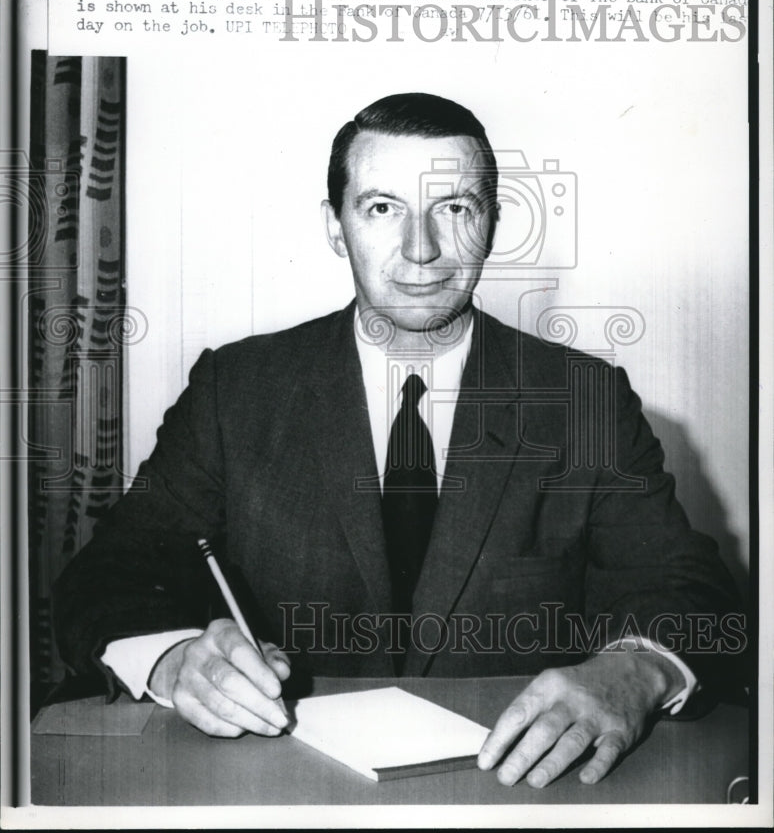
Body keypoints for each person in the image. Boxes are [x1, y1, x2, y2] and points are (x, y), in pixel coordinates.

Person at [54, 92, 745, 789]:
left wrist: (636, 670)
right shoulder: (235, 390)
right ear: (334, 226)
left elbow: (688, 589)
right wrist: (176, 660)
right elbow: (106, 578)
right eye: (382, 208)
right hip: (281, 792)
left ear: (494, 225)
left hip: (514, 794)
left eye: (455, 209)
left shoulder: (583, 398)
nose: (422, 250)